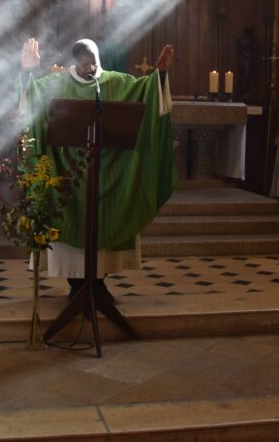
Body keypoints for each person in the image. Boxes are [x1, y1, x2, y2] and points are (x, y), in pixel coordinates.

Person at [19, 37, 175, 296]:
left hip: (109, 177)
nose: (88, 69)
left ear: (99, 60)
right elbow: (30, 103)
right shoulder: (55, 84)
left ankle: (99, 284)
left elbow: (147, 95)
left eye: (93, 63)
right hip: (67, 179)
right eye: (82, 64)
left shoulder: (117, 82)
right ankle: (77, 286)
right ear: (72, 62)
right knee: (69, 220)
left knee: (106, 222)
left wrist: (160, 74)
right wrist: (27, 72)